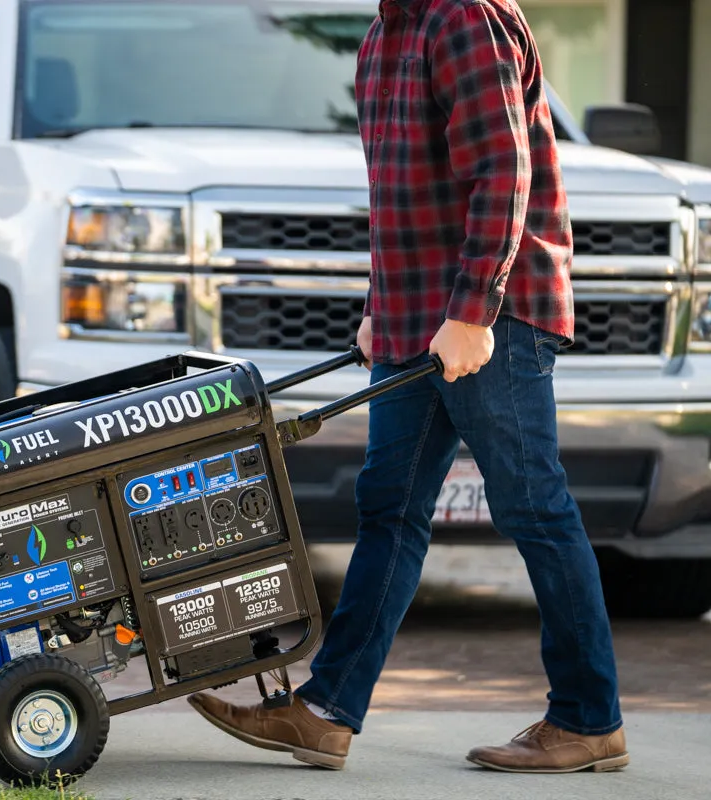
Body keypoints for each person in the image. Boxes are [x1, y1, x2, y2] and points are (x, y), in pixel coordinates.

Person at [187, 0, 628, 773]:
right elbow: (398, 195)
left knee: (533, 505)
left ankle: (590, 720)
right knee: (388, 510)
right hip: (414, 319)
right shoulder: (385, 34)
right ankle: (325, 713)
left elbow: (503, 172)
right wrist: (377, 306)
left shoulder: (464, 17)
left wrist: (472, 312)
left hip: (491, 319)